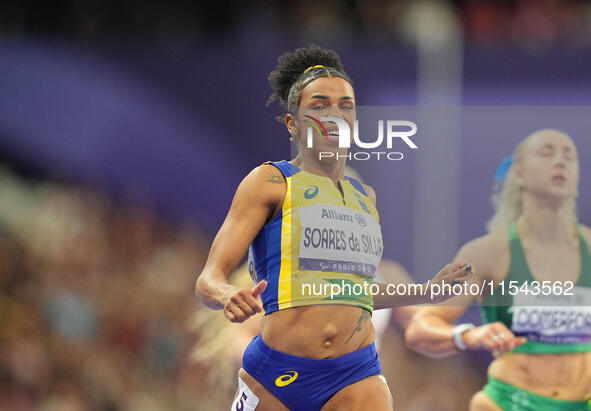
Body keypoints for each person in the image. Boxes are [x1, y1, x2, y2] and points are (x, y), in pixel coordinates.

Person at [195, 45, 470, 411]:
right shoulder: (270, 182)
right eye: (320, 104)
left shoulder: (364, 198)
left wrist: (428, 291)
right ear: (293, 123)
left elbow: (356, 295)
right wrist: (226, 293)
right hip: (277, 372)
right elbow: (208, 279)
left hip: (355, 372)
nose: (335, 115)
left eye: (346, 105)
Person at [405, 129, 591, 410]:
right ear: (519, 174)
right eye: (547, 152)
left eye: (569, 155)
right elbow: (419, 328)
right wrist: (470, 336)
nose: (560, 161)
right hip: (508, 403)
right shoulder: (488, 253)